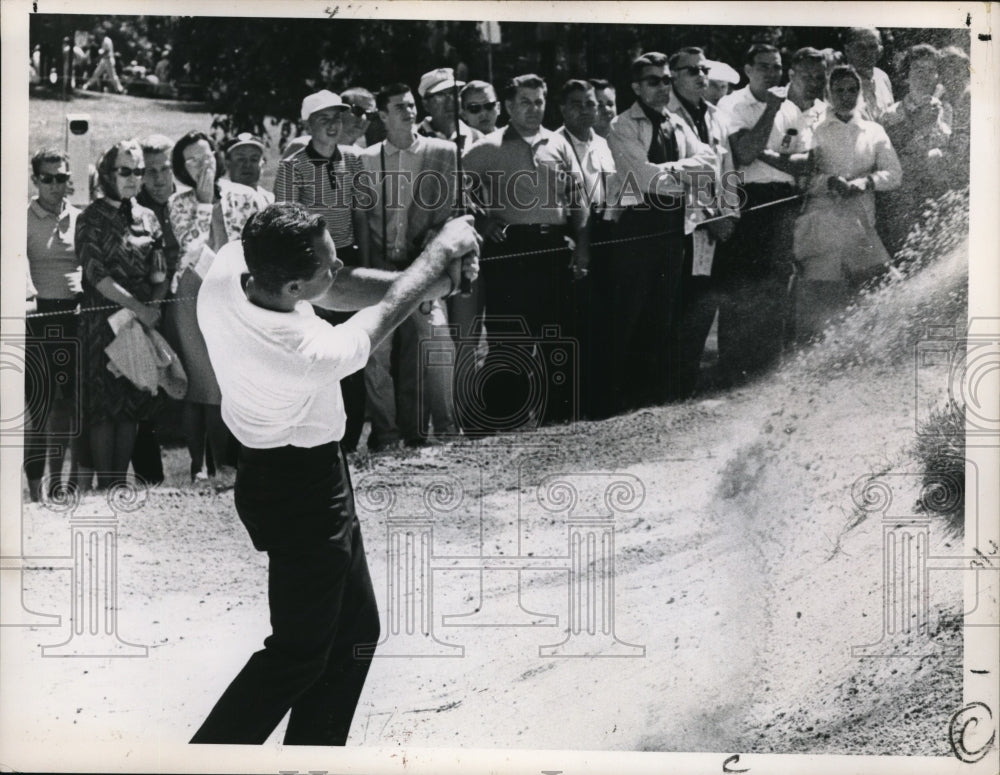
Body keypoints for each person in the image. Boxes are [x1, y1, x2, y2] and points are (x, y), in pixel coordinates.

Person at [189, 203, 480, 746]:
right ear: (295, 285)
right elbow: (386, 313)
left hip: (300, 473)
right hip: (299, 489)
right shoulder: (306, 352)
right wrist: (439, 253)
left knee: (354, 633)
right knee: (299, 655)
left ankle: (311, 758)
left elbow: (339, 287)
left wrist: (433, 284)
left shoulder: (236, 267)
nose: (338, 265)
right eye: (327, 264)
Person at [462, 73, 590, 432]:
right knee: (509, 340)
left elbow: (579, 199)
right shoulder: (488, 146)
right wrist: (484, 219)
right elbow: (454, 187)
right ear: (507, 106)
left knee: (557, 336)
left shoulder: (559, 144)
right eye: (525, 102)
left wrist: (582, 247)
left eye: (538, 101)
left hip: (552, 248)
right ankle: (504, 419)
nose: (533, 109)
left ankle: (557, 419)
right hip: (509, 251)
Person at [605, 52, 715, 412]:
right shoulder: (622, 125)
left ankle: (649, 399)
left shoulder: (679, 124)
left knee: (663, 316)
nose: (663, 87)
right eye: (654, 81)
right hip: (634, 233)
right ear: (636, 87)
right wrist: (683, 175)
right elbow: (643, 179)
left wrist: (668, 172)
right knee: (626, 317)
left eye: (667, 79)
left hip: (673, 232)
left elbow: (710, 163)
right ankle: (616, 399)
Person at [714, 45, 827, 385]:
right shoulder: (732, 104)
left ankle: (766, 369)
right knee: (741, 284)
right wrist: (768, 125)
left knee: (777, 284)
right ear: (747, 68)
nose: (770, 74)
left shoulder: (789, 108)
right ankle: (732, 370)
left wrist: (766, 155)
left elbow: (807, 161)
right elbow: (744, 154)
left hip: (783, 199)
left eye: (776, 67)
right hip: (747, 198)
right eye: (763, 67)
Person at [359, 83, 460, 449]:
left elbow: (455, 216)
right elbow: (363, 221)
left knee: (437, 342)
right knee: (376, 353)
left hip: (425, 269)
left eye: (411, 105)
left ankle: (444, 430)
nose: (409, 111)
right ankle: (386, 434)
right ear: (382, 116)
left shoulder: (444, 152)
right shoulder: (366, 159)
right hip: (381, 269)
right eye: (399, 107)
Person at [275, 90, 371, 452]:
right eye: (323, 118)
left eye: (337, 117)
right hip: (311, 267)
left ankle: (350, 441)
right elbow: (287, 223)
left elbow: (360, 216)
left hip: (346, 261)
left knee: (351, 348)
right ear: (308, 124)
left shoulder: (354, 161)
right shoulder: (293, 166)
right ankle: (320, 440)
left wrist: (362, 266)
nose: (333, 125)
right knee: (318, 352)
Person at [165, 131, 257, 483]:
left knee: (230, 377)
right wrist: (204, 203)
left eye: (207, 157)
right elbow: (190, 248)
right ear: (181, 168)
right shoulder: (179, 202)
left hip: (236, 292)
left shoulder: (244, 195)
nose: (203, 166)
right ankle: (202, 465)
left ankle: (230, 462)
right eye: (193, 161)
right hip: (193, 295)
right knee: (202, 381)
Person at [76, 140, 166, 489]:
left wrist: (153, 307)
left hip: (140, 322)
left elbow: (159, 274)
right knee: (103, 408)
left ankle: (118, 486)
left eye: (138, 171)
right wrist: (140, 308)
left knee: (132, 402)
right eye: (125, 171)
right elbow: (99, 277)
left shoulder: (148, 217)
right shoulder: (90, 218)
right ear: (107, 174)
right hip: (102, 322)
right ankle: (105, 484)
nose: (133, 178)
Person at [793, 65, 901, 340]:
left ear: (860, 92)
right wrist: (829, 181)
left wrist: (866, 183)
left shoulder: (873, 130)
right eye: (838, 90)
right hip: (822, 224)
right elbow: (802, 180)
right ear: (828, 93)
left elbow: (894, 174)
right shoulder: (812, 128)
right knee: (821, 297)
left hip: (861, 223)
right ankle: (809, 362)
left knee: (876, 289)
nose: (846, 96)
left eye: (852, 90)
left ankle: (861, 356)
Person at [665, 47, 740, 400]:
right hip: (681, 227)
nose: (700, 76)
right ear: (673, 75)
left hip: (713, 230)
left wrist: (727, 214)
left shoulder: (714, 116)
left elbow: (726, 173)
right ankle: (665, 389)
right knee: (675, 312)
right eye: (691, 69)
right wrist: (710, 217)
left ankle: (684, 388)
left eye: (703, 69)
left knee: (702, 308)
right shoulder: (664, 115)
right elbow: (677, 176)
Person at [25, 149, 87, 500]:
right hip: (38, 317)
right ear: (36, 180)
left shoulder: (80, 218)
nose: (54, 185)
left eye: (61, 177)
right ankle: (35, 495)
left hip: (75, 317)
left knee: (67, 407)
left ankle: (60, 486)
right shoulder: (22, 219)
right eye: (47, 178)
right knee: (38, 407)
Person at [555, 79, 617, 417]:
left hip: (602, 238)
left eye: (590, 103)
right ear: (563, 109)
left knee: (599, 325)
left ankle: (596, 405)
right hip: (568, 241)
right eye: (576, 104)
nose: (585, 110)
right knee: (570, 328)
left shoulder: (602, 144)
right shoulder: (553, 145)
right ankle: (568, 407)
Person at [131, 134, 181, 486]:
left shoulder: (187, 202)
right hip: (149, 310)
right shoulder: (135, 212)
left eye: (165, 169)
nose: (160, 178)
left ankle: (203, 470)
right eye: (150, 172)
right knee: (145, 392)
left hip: (187, 309)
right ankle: (151, 479)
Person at [878, 44, 952, 256]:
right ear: (906, 75)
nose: (925, 76)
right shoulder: (891, 114)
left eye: (931, 70)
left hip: (940, 192)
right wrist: (916, 122)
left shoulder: (946, 110)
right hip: (907, 198)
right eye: (919, 70)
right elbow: (889, 157)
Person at [416, 67, 484, 145]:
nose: (451, 100)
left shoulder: (477, 139)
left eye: (454, 92)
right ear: (426, 105)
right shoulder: (414, 139)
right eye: (441, 95)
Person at [842, 27, 894, 122]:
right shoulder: (840, 83)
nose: (867, 53)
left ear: (880, 51)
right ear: (847, 51)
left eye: (872, 47)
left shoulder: (882, 77)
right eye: (860, 47)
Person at [222, 132, 275, 204]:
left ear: (262, 164)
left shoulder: (271, 200)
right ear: (227, 164)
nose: (247, 165)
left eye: (254, 159)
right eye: (241, 159)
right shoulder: (221, 199)